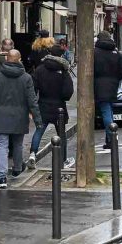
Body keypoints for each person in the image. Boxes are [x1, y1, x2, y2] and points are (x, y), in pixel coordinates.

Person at [0, 49, 42, 189]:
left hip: (1, 114)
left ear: (6, 59)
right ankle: (16, 169)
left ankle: (2, 177)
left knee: (2, 145)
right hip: (20, 115)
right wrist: (38, 119)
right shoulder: (26, 78)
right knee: (18, 144)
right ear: (19, 59)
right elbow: (32, 100)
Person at [28, 36, 74, 167]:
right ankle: (63, 160)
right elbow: (68, 90)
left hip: (43, 104)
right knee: (61, 135)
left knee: (39, 130)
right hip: (59, 106)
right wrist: (63, 98)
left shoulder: (41, 69)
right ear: (62, 55)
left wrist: (34, 103)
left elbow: (33, 87)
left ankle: (32, 154)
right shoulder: (64, 71)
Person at [93, 31, 122, 151]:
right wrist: (115, 79)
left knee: (105, 110)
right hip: (113, 85)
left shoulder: (95, 53)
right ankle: (109, 138)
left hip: (98, 85)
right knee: (109, 109)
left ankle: (112, 137)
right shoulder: (115, 53)